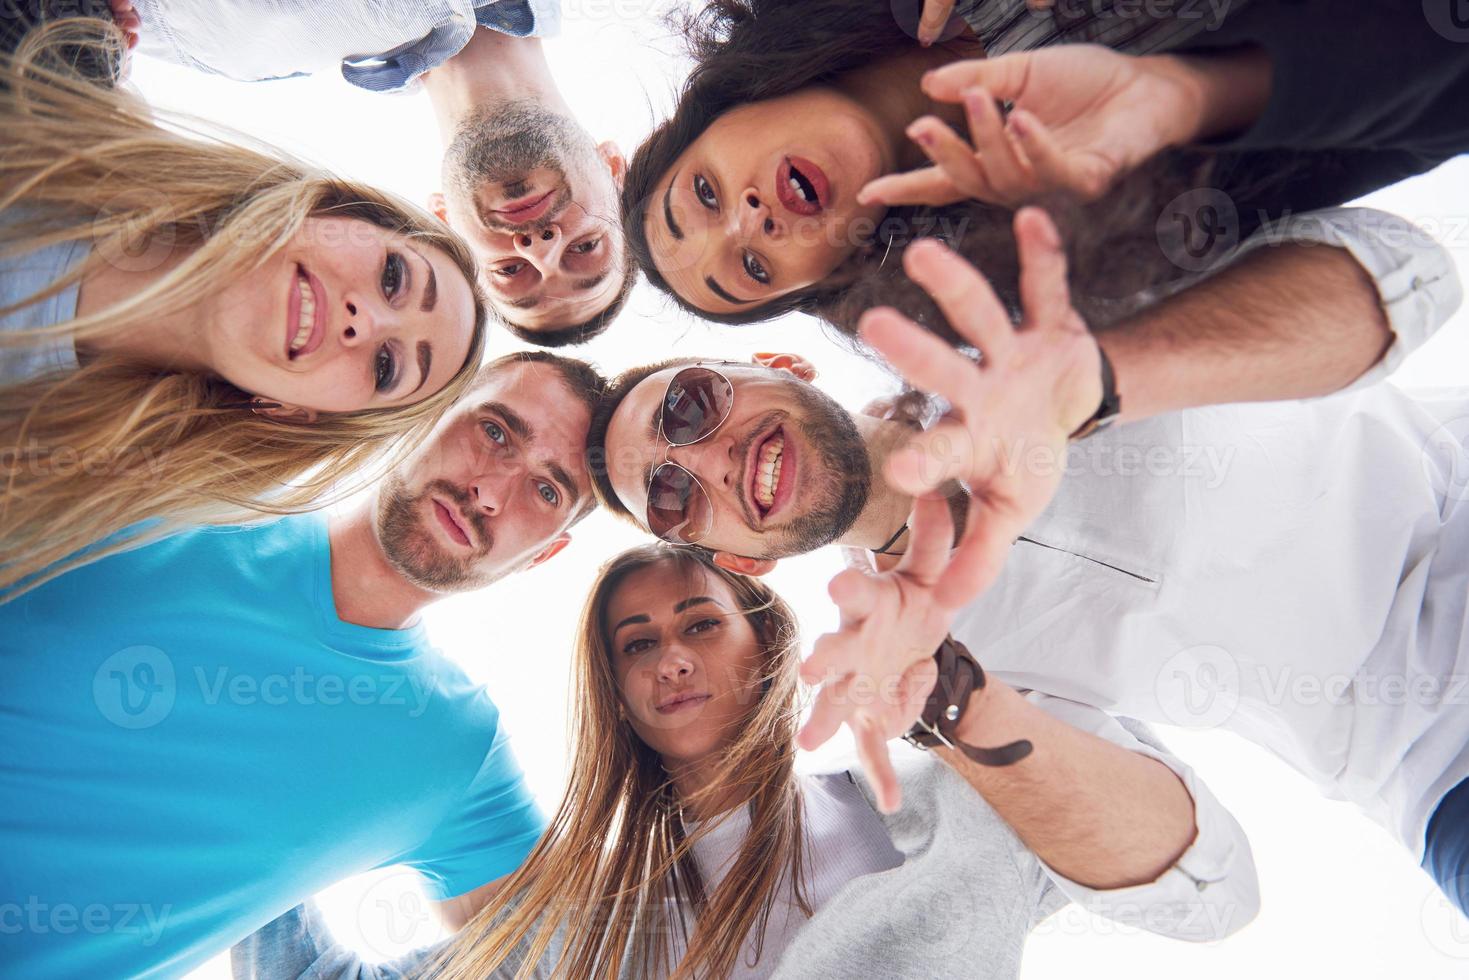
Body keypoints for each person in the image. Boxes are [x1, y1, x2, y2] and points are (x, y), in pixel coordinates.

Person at [588, 201, 1469, 915]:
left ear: (779, 363)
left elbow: (1410, 268)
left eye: (691, 408)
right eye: (673, 497)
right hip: (1435, 763)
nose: (707, 460)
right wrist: (952, 700)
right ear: (741, 564)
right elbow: (1210, 892)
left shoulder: (1003, 316)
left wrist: (1100, 376)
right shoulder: (931, 667)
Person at [232, 543, 1258, 979]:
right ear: (617, 694)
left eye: (697, 622)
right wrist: (250, 790)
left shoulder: (937, 802)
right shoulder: (583, 932)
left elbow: (1203, 884)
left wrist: (949, 697)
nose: (670, 654)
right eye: (636, 642)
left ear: (764, 640)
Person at [0, 350, 604, 977]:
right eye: (494, 431)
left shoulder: (458, 754)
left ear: (543, 555)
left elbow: (548, 960)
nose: (489, 491)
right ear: (430, 409)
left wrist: (285, 932)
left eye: (545, 489)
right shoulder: (198, 486)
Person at [621, 0, 1463, 348]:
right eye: (754, 270)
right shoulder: (1101, 242)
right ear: (835, 270)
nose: (748, 223)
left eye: (701, 193)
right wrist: (1185, 98)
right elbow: (1428, 107)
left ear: (719, 109)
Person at [0, 24, 490, 598]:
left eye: (386, 367)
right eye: (394, 276)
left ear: (293, 412)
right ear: (334, 212)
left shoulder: (34, 501)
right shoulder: (54, 56)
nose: (366, 322)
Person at [116, 0, 634, 345]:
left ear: (443, 223)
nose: (539, 248)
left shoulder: (228, 47)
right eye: (585, 248)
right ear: (614, 168)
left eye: (510, 273)